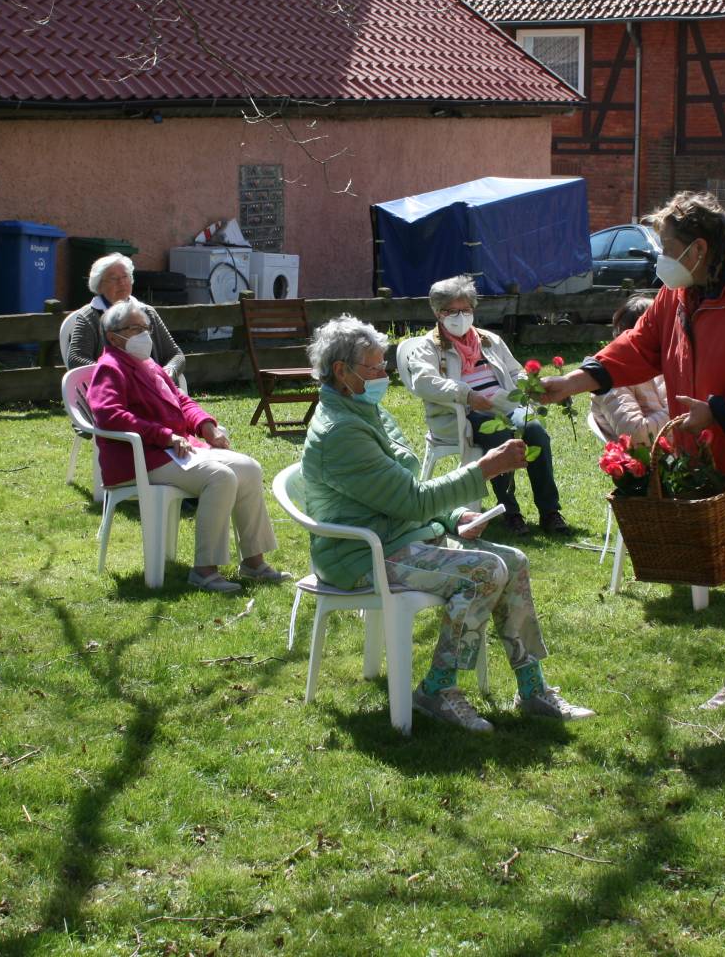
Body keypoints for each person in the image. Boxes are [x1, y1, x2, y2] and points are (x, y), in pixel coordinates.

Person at [538, 191, 725, 710]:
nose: (661, 256)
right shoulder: (683, 294)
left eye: (669, 246)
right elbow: (642, 344)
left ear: (699, 248)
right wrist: (580, 379)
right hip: (724, 445)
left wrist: (718, 411)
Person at [301, 314, 593, 732]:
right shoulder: (341, 431)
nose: (385, 374)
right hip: (360, 553)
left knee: (515, 560)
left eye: (384, 364)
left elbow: (404, 490)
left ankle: (533, 689)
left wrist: (456, 516)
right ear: (341, 372)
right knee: (484, 570)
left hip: (398, 536)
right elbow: (411, 499)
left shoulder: (368, 412)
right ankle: (437, 687)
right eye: (375, 368)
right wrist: (483, 470)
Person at [86, 297, 286, 593]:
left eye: (147, 327)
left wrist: (206, 426)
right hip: (142, 459)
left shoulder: (149, 364)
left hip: (174, 451)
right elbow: (109, 415)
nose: (146, 334)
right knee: (220, 477)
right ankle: (205, 571)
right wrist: (164, 435)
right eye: (136, 328)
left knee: (249, 468)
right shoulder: (110, 367)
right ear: (115, 336)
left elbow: (181, 399)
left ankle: (253, 562)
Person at [398, 275, 569, 536]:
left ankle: (550, 511)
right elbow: (424, 382)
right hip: (462, 415)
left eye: (465, 310)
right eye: (452, 311)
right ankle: (509, 512)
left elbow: (514, 372)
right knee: (497, 435)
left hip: (503, 406)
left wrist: (530, 385)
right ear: (437, 312)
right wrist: (466, 395)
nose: (460, 317)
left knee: (535, 431)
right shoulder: (427, 347)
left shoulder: (488, 340)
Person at [65, 252, 183, 378]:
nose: (121, 283)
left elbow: (176, 355)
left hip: (154, 387)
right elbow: (75, 359)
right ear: (99, 286)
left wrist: (169, 371)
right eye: (113, 278)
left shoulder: (147, 312)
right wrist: (117, 375)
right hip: (112, 389)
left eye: (125, 276)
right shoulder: (90, 316)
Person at [589, 294, 668, 447]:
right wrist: (684, 411)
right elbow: (637, 436)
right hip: (655, 464)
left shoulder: (659, 368)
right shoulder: (610, 380)